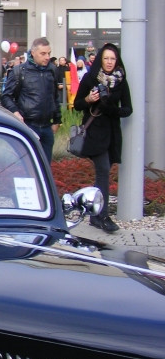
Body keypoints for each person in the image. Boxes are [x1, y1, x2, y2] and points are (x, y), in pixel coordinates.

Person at [73, 43, 132, 232]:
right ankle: (102, 215)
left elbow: (127, 109)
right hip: (94, 132)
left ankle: (95, 216)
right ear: (100, 59)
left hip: (112, 132)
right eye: (106, 58)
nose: (109, 62)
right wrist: (90, 100)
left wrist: (110, 109)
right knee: (103, 170)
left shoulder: (121, 81)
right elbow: (77, 104)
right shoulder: (91, 78)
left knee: (103, 172)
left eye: (112, 59)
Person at [0, 37, 62, 162]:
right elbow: (6, 96)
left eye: (49, 53)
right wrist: (15, 113)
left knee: (45, 168)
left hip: (46, 126)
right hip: (28, 125)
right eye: (43, 53)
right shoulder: (19, 71)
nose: (47, 57)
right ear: (33, 53)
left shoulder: (52, 70)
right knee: (29, 166)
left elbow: (54, 96)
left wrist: (57, 120)